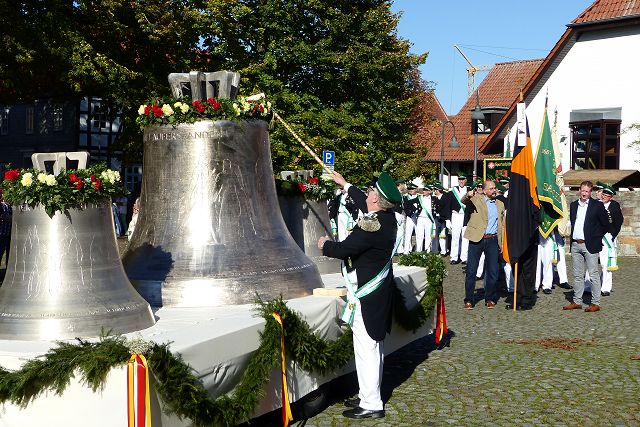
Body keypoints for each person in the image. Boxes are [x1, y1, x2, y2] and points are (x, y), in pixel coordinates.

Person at [318, 170, 401, 420]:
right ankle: (368, 394)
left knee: (367, 350)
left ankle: (372, 404)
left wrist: (324, 245)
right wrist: (345, 184)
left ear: (375, 199)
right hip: (376, 294)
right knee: (372, 348)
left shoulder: (372, 227)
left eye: (371, 191)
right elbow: (364, 203)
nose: (368, 193)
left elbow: (345, 249)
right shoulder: (387, 218)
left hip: (368, 296)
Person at [564, 181, 609, 312]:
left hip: (590, 244)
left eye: (587, 191)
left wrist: (596, 237)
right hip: (575, 244)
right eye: (582, 190)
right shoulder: (574, 205)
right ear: (579, 190)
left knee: (593, 274)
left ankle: (595, 303)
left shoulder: (597, 206)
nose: (584, 193)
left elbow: (605, 224)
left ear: (590, 192)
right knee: (577, 275)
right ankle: (577, 301)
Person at [461, 180, 505, 309]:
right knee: (471, 270)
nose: (494, 190)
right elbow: (464, 201)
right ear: (485, 191)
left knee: (493, 271)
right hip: (477, 239)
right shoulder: (477, 199)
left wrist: (501, 242)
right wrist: (468, 195)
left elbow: (501, 224)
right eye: (491, 188)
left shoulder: (500, 204)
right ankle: (469, 299)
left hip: (492, 240)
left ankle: (489, 298)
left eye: (494, 188)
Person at [598, 183, 623, 296]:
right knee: (591, 263)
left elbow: (619, 221)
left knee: (606, 263)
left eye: (607, 195)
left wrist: (612, 235)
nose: (604, 196)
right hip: (595, 237)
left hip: (607, 237)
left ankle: (606, 288)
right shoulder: (595, 204)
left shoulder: (614, 206)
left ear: (611, 197)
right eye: (603, 194)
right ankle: (588, 286)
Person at [443, 172, 469, 265]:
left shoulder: (469, 191)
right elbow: (447, 206)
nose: (461, 181)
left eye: (463, 179)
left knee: (465, 238)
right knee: (455, 237)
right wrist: (447, 219)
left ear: (466, 180)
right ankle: (454, 257)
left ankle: (464, 257)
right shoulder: (452, 192)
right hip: (456, 216)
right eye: (460, 179)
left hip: (465, 216)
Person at [402, 183, 419, 253]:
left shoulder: (419, 197)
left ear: (416, 189)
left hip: (418, 218)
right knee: (408, 234)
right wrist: (410, 214)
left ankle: (418, 250)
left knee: (419, 234)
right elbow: (405, 207)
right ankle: (406, 250)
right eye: (409, 189)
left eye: (412, 189)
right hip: (410, 217)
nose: (410, 190)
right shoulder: (405, 197)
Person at [0, 188, 11, 266]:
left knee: (9, 256)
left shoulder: (8, 206)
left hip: (8, 235)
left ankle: (7, 270)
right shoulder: (2, 206)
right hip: (1, 234)